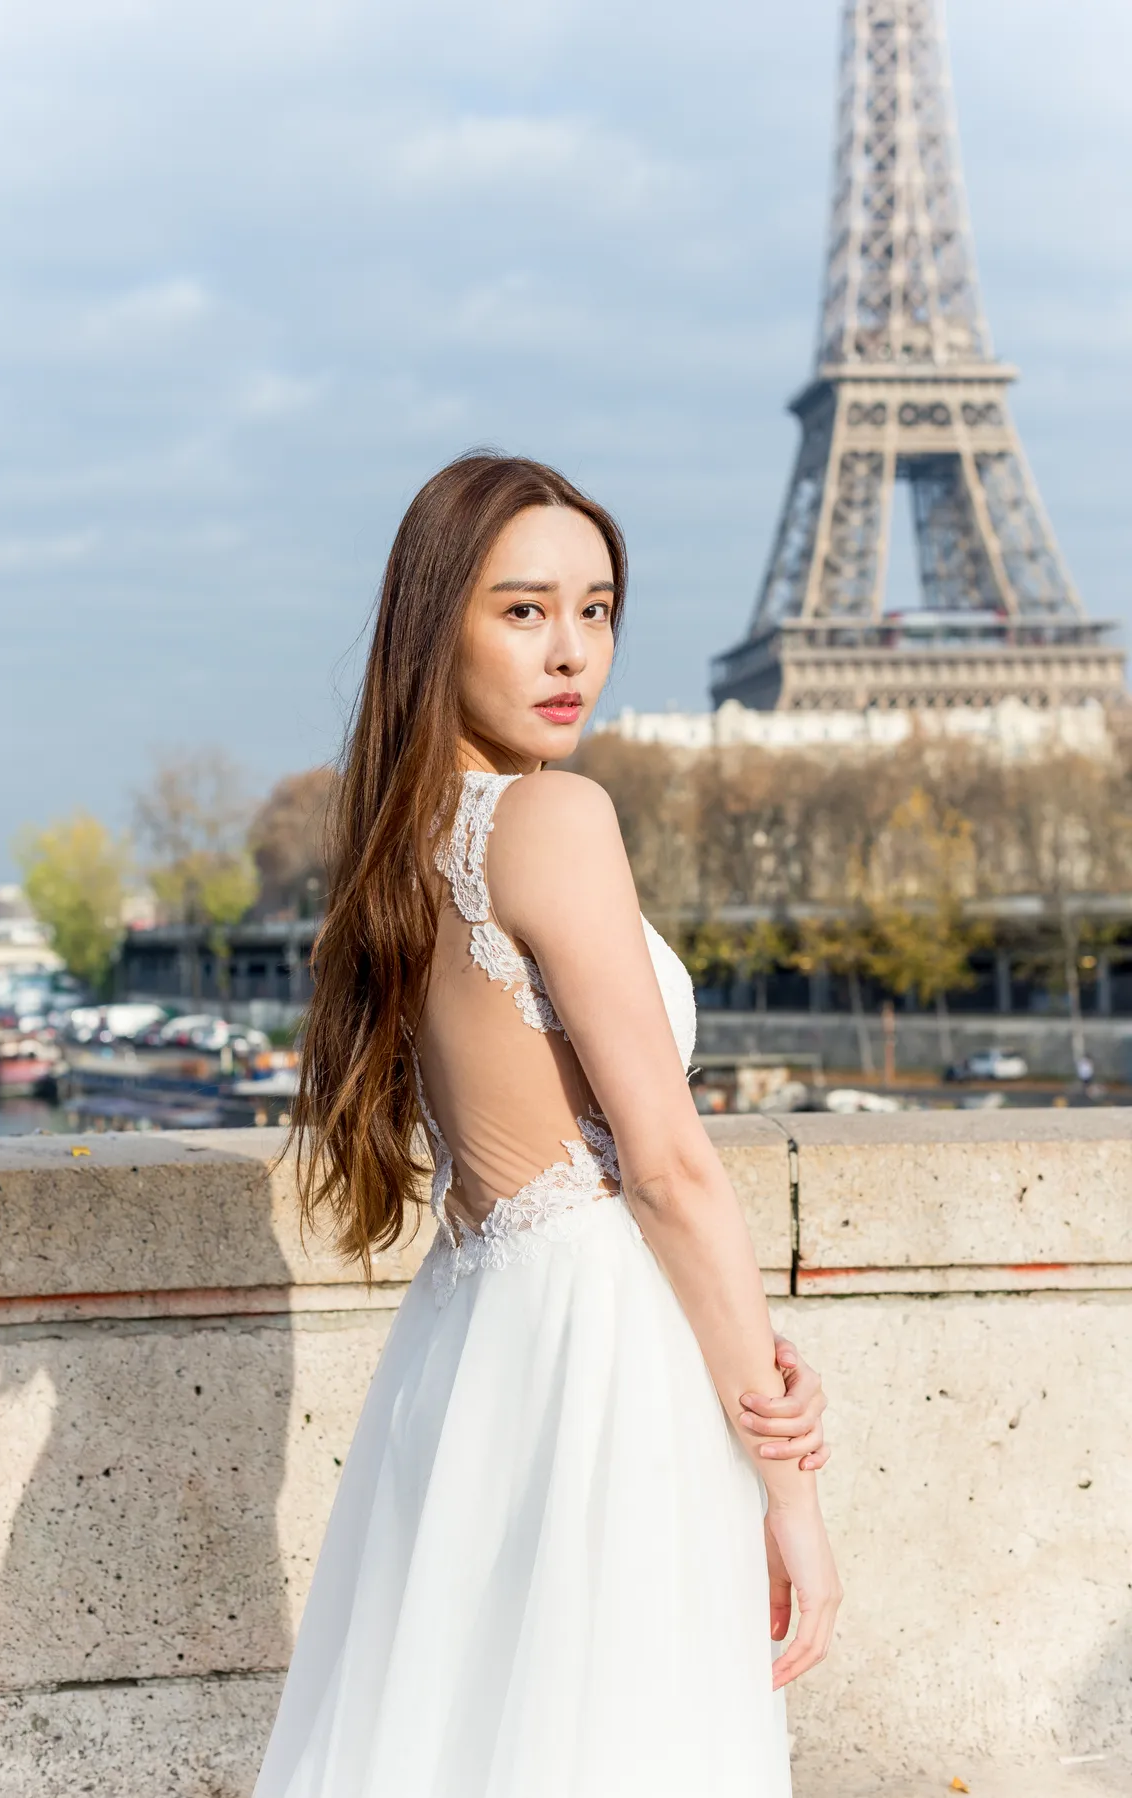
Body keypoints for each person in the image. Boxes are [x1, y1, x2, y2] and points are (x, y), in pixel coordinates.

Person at [254, 453, 841, 1798]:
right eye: (523, 610)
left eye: (598, 606)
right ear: (437, 624)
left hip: (473, 1343)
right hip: (605, 1348)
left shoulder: (404, 848)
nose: (572, 649)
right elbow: (671, 1168)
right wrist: (789, 1481)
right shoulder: (556, 814)